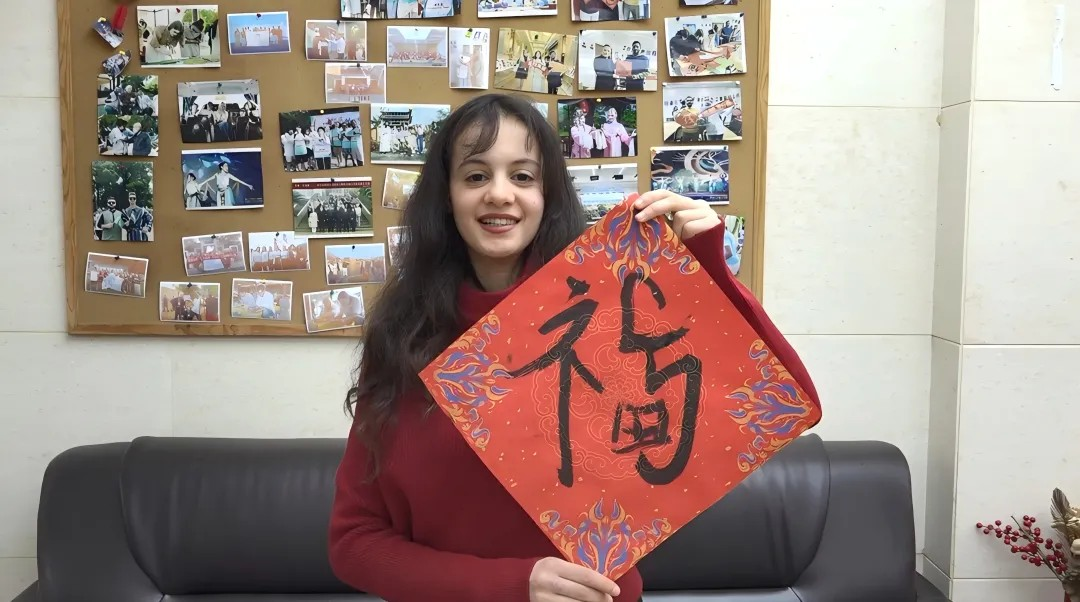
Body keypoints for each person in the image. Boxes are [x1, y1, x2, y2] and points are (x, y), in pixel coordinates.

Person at [328, 93, 820, 602]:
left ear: (548, 194)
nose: (499, 194)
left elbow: (784, 400)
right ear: (446, 196)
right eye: (475, 176)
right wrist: (513, 585)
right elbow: (353, 542)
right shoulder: (403, 341)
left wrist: (704, 270)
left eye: (523, 176)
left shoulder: (611, 307)